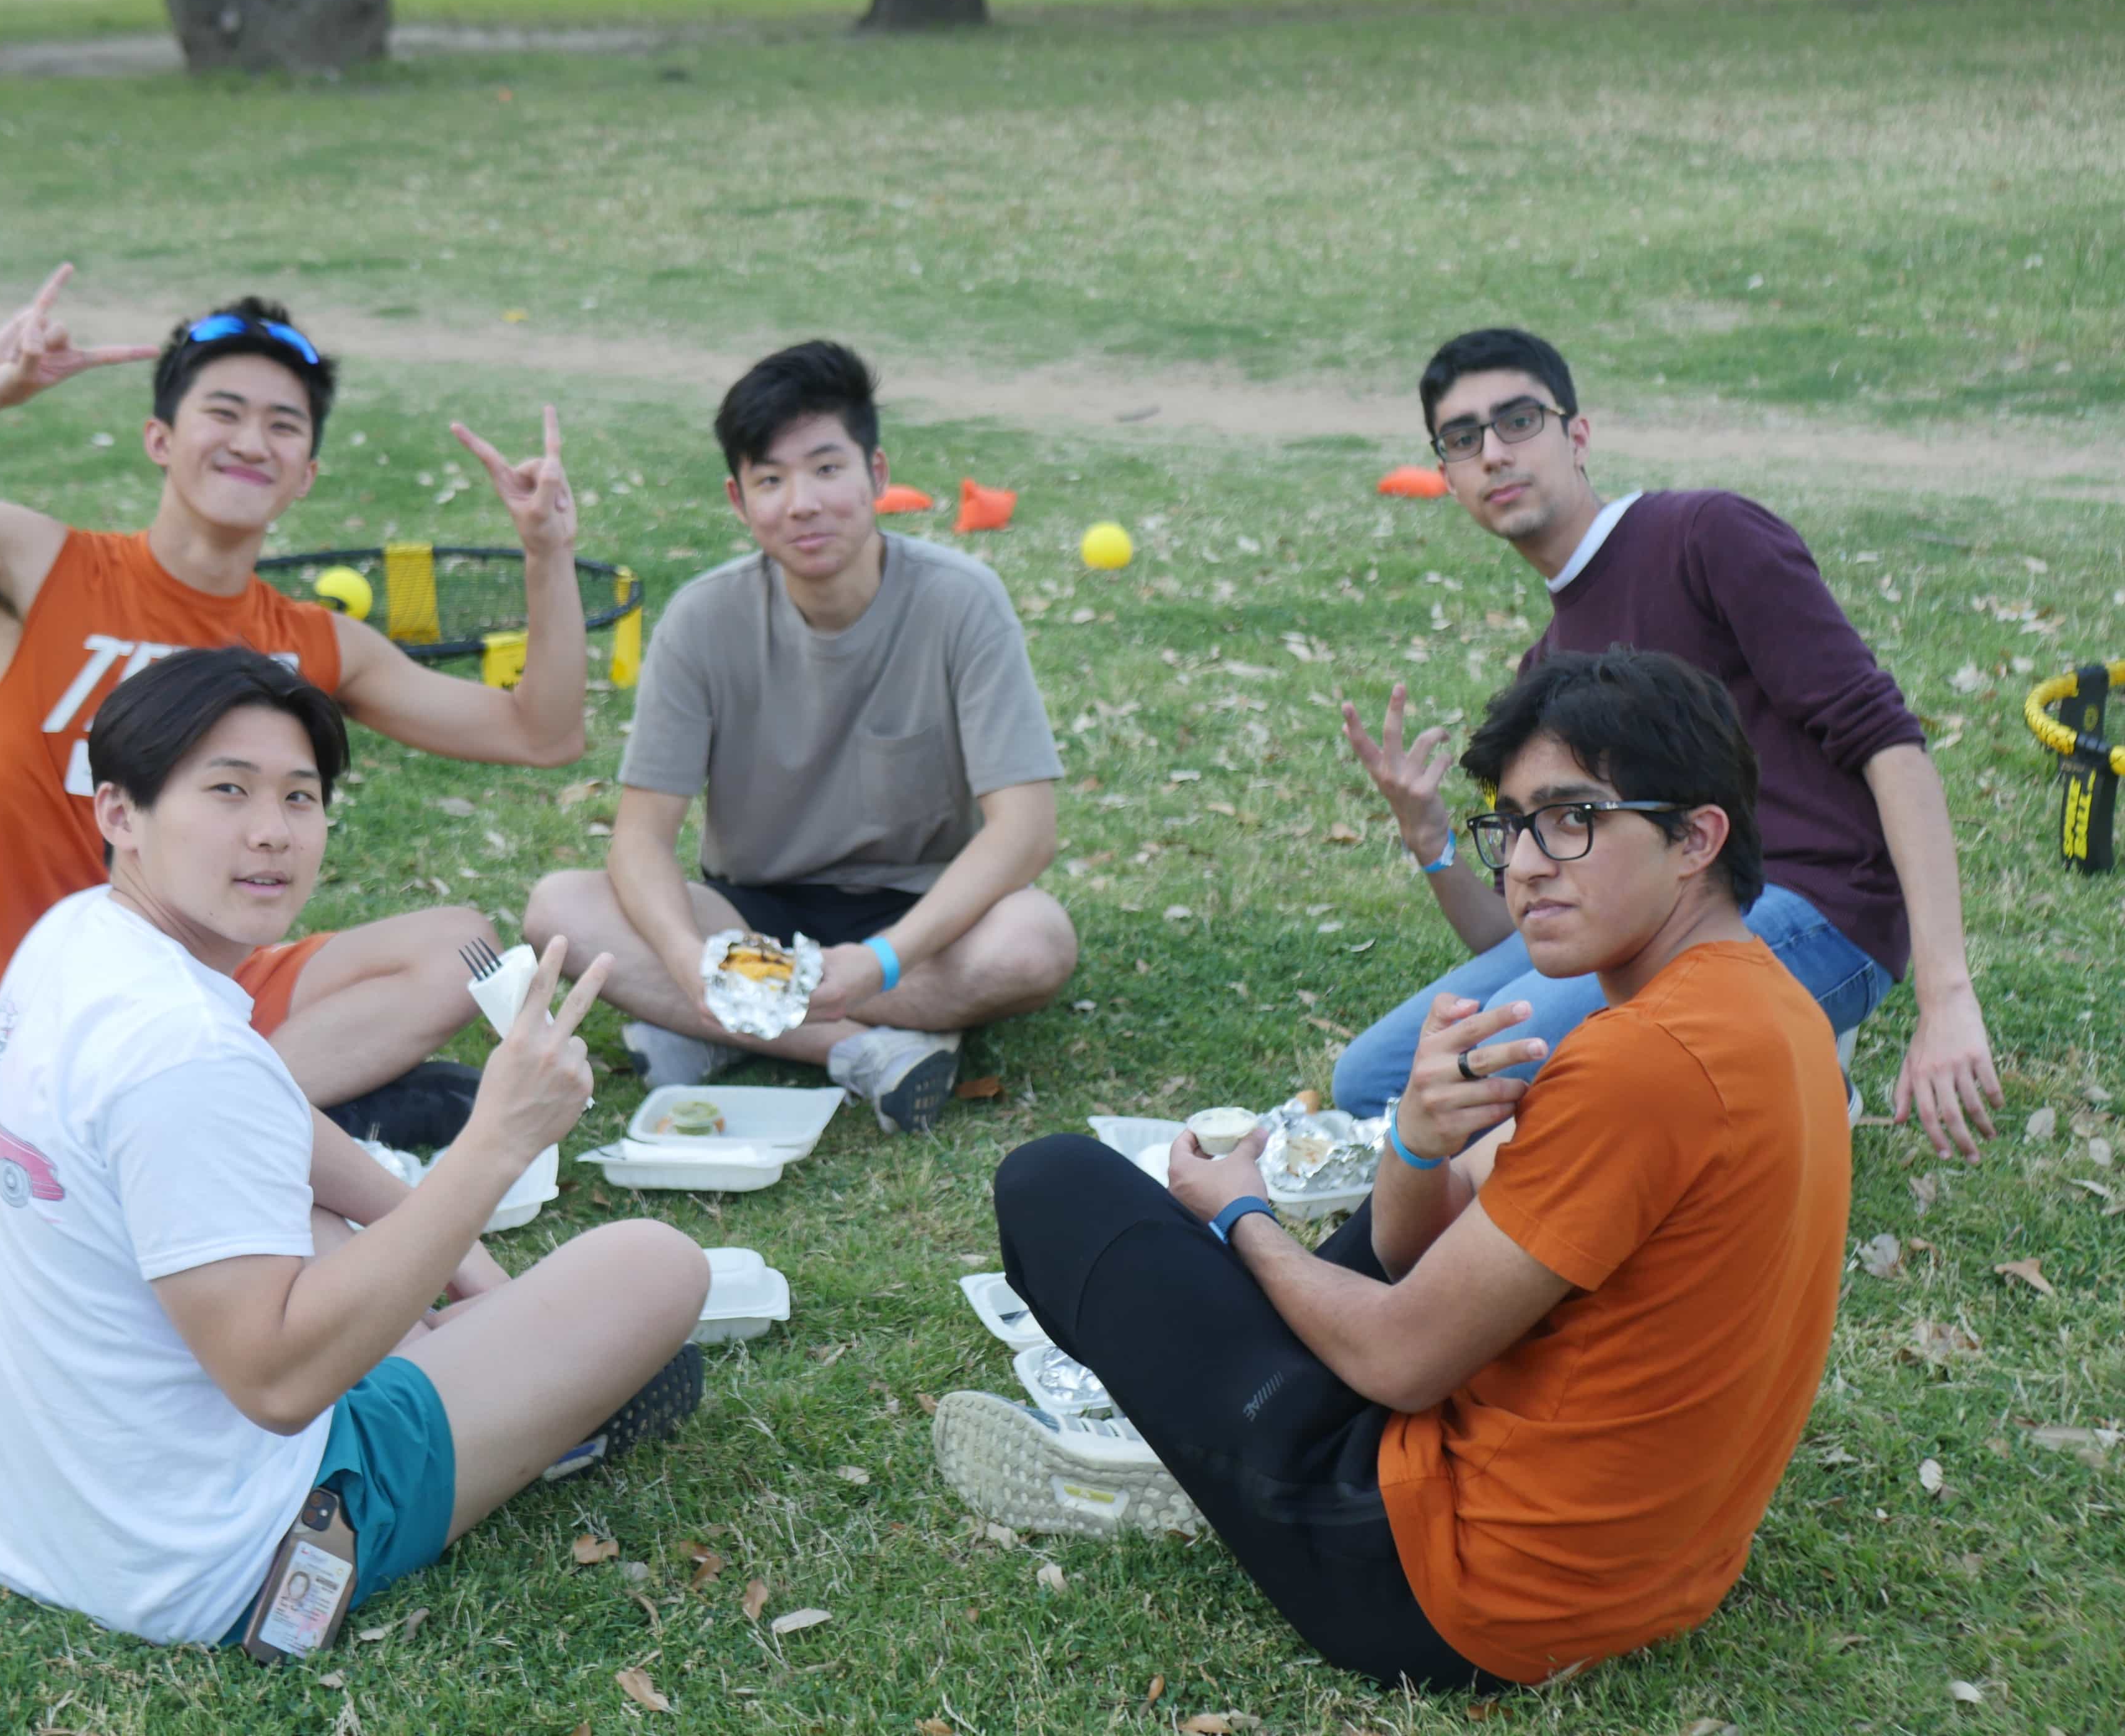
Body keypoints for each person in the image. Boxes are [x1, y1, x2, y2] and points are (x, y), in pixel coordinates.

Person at [936, 648, 1851, 1691]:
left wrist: (1245, 1219)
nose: (1527, 864)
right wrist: (1418, 1138)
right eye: (1510, 825)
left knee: (1056, 1187)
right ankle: (1199, 1414)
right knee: (1352, 1248)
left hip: (1453, 1595)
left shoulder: (1642, 1061)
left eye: (1574, 819)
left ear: (1696, 837)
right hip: (1653, 1575)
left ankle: (1177, 1445)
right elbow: (1423, 1250)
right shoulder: (1768, 1004)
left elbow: (1407, 1360)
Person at [0, 266, 597, 1173]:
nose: (250, 440)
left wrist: (547, 554)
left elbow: (540, 734)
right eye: (222, 412)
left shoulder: (310, 644)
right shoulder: (43, 567)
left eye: (282, 424)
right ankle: (272, 1108)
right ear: (160, 437)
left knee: (460, 946)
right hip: (29, 1025)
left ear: (305, 473)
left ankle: (234, 1106)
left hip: (206, 1003)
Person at [0, 646, 709, 1647]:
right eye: (227, 791)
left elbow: (268, 1121)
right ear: (120, 813)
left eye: (300, 797)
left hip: (38, 1510)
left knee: (312, 1209)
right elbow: (277, 1386)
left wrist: (474, 1275)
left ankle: (484, 1361)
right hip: (223, 1557)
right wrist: (496, 1141)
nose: (270, 832)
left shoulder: (80, 938)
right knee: (653, 1265)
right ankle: (543, 1418)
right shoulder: (183, 1054)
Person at [1332, 327, 2000, 1160]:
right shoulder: (1551, 669)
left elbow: (1892, 747)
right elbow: (1534, 932)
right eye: (1463, 439)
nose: (1494, 454)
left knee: (1498, 1090)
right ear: (1448, 475)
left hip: (1822, 910)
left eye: (1517, 421)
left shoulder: (1706, 536)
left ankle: (1792, 1064)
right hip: (1646, 920)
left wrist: (1947, 995)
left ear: (1576, 436)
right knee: (1368, 1085)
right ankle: (1789, 1072)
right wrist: (1432, 845)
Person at [521, 341, 1077, 1133]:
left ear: (877, 476)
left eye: (825, 469)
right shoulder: (702, 620)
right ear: (738, 500)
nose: (801, 503)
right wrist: (691, 966)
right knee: (557, 909)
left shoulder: (962, 602)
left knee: (1033, 943)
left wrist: (882, 961)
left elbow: (1025, 831)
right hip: (748, 920)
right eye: (770, 480)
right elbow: (641, 840)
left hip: (916, 919)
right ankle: (862, 1052)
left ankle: (723, 1036)